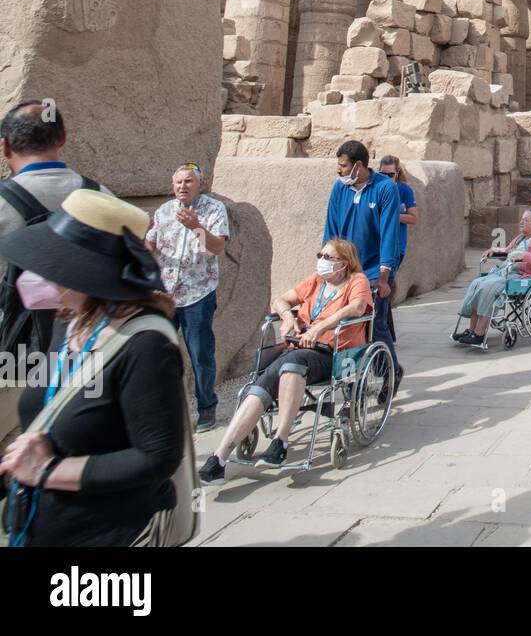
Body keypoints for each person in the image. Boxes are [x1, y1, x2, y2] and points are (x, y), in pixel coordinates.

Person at [0, 190, 186, 546]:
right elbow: (51, 408)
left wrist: (47, 471)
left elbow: (157, 457)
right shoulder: (67, 321)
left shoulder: (146, 344)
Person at [199, 239, 372, 481]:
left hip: (332, 353)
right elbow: (281, 300)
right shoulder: (316, 281)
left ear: (344, 263)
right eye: (320, 255)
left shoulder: (356, 281)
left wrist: (320, 327)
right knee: (261, 385)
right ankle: (219, 457)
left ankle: (281, 440)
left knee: (291, 364)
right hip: (298, 348)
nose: (321, 261)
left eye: (328, 257)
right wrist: (287, 318)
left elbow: (357, 307)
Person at [0, 101, 110, 454]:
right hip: (87, 355)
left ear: (5, 147)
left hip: (12, 359)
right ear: (62, 137)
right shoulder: (101, 198)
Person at [145, 163, 229, 433]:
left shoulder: (215, 209)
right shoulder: (164, 211)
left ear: (199, 184)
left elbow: (217, 247)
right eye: (179, 182)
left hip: (198, 294)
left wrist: (196, 227)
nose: (183, 186)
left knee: (200, 355)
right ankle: (163, 410)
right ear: (172, 185)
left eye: (189, 181)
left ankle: (206, 409)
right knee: (158, 353)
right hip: (165, 294)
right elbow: (152, 244)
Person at [323, 141, 402, 387]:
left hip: (374, 269)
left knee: (374, 325)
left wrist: (384, 275)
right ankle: (351, 383)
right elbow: (331, 229)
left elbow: (390, 233)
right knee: (345, 325)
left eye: (343, 166)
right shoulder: (340, 188)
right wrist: (327, 264)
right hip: (346, 268)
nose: (340, 170)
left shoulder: (385, 189)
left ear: (358, 166)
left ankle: (389, 372)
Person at [453, 210, 531, 347]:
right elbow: (508, 251)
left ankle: (479, 333)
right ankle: (472, 330)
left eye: (525, 220)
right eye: (521, 219)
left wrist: (525, 256)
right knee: (477, 283)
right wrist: (494, 250)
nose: (521, 222)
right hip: (506, 272)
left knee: (487, 287)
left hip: (522, 277)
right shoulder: (520, 238)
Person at [377, 156, 418, 299]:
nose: (387, 178)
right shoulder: (376, 189)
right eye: (383, 174)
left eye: (391, 175)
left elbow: (413, 218)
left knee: (384, 285)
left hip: (396, 246)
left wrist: (392, 216)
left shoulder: (404, 190)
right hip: (376, 244)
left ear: (397, 173)